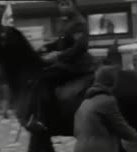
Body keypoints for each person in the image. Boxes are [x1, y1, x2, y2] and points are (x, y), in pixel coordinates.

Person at [23, 0, 95, 132]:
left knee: (43, 77)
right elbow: (61, 42)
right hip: (67, 62)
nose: (63, 7)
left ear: (74, 5)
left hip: (77, 65)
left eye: (67, 3)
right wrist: (45, 47)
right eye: (61, 4)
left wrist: (58, 56)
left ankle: (42, 118)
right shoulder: (66, 21)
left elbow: (80, 47)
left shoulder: (78, 22)